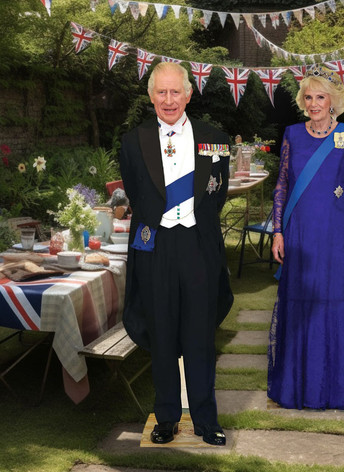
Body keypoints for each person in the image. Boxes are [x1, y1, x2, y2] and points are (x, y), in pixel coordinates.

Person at [120, 62, 233, 445]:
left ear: (188, 94)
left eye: (175, 92)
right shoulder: (133, 141)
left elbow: (216, 195)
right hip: (156, 249)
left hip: (198, 247)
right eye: (161, 92)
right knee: (163, 334)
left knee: (200, 336)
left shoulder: (214, 139)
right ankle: (166, 418)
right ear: (151, 96)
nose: (169, 100)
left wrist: (192, 222)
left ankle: (206, 421)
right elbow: (137, 195)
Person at [268, 65, 344, 410]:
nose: (313, 103)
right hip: (298, 235)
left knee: (334, 302)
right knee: (299, 305)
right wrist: (278, 230)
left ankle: (335, 387)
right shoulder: (291, 135)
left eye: (321, 97)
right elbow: (282, 185)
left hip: (335, 233)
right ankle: (296, 387)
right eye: (309, 97)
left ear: (333, 101)